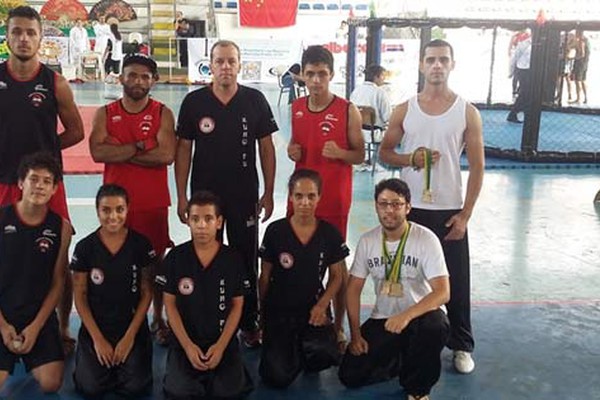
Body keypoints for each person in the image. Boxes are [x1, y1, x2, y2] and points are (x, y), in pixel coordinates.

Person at [379, 39, 484, 374]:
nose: (437, 65)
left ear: (452, 65)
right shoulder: (404, 109)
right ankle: (405, 337)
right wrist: (411, 158)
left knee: (455, 280)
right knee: (407, 275)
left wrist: (465, 214)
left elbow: (479, 168)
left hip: (449, 210)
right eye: (431, 60)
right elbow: (384, 154)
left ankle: (461, 344)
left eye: (443, 60)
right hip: (409, 210)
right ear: (422, 65)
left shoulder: (467, 111)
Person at [175, 39, 277, 348]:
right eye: (219, 61)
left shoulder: (255, 100)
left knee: (246, 258)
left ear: (240, 64)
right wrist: (182, 196)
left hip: (244, 195)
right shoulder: (194, 103)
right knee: (206, 256)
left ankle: (249, 322)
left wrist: (270, 192)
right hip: (205, 198)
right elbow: (183, 151)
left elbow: (267, 149)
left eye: (231, 61)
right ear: (210, 64)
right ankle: (206, 318)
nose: (226, 67)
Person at [0, 5, 84, 353]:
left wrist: (45, 159)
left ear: (40, 38)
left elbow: (77, 131)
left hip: (50, 186)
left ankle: (63, 328)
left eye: (30, 32)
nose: (23, 38)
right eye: (16, 32)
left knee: (58, 257)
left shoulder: (55, 83)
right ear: (7, 36)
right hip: (4, 181)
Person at [89, 53, 176, 346]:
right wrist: (142, 146)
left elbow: (166, 155)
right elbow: (98, 153)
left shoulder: (163, 113)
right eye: (132, 75)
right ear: (121, 77)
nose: (137, 81)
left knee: (155, 266)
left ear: (153, 80)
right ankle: (121, 318)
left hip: (152, 204)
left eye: (144, 76)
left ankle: (157, 318)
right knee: (116, 263)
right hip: (115, 208)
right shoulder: (105, 112)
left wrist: (122, 149)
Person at [338, 178, 450, 400]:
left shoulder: (425, 239)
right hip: (385, 319)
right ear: (376, 206)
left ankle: (418, 390)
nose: (389, 210)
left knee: (435, 325)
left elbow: (443, 292)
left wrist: (406, 316)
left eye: (397, 204)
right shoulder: (368, 241)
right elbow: (353, 289)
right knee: (350, 375)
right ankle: (402, 359)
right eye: (383, 203)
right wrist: (355, 335)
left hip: (421, 317)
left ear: (408, 207)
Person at [287, 44, 364, 349]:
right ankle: (302, 317)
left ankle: (340, 326)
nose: (316, 80)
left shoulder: (347, 109)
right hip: (302, 199)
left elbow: (359, 154)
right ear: (302, 76)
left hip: (334, 198)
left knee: (336, 265)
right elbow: (296, 144)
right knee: (300, 261)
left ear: (331, 74)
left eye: (322, 74)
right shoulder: (296, 108)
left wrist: (342, 153)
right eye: (310, 74)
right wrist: (292, 150)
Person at [158, 190, 253, 399]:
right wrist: (187, 346)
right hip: (185, 342)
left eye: (208, 219)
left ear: (219, 222)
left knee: (229, 392)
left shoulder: (233, 260)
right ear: (188, 221)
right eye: (195, 219)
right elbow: (170, 305)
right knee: (180, 392)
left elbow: (237, 305)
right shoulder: (176, 258)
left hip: (221, 341)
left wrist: (220, 346)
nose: (201, 225)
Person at [258, 169, 347, 388]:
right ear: (290, 197)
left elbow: (337, 276)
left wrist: (322, 305)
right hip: (280, 311)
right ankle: (289, 349)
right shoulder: (275, 231)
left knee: (325, 355)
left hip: (313, 311)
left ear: (319, 197)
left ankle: (302, 351)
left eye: (311, 196)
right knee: (276, 378)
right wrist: (263, 316)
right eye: (299, 196)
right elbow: (264, 276)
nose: (305, 202)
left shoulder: (330, 234)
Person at [71, 184, 154, 398]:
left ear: (127, 209)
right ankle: (93, 361)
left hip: (131, 326)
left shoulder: (141, 245)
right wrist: (98, 339)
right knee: (91, 388)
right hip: (97, 327)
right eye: (106, 210)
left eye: (119, 209)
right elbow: (79, 296)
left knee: (135, 387)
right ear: (97, 210)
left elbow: (146, 292)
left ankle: (124, 362)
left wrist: (129, 337)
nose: (113, 216)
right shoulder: (85, 248)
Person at [0, 152, 73, 393]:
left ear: (54, 189)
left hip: (36, 314)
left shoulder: (61, 227)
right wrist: (2, 325)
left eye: (46, 181)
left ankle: (29, 352)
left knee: (51, 383)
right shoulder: (2, 218)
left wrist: (36, 326)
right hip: (3, 312)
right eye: (34, 179)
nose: (39, 186)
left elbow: (57, 282)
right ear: (21, 183)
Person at [350, 64, 392, 130]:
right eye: (383, 76)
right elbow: (388, 117)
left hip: (357, 131)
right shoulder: (380, 92)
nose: (384, 79)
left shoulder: (356, 90)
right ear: (376, 77)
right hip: (374, 133)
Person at [506, 31, 531, 123]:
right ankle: (513, 113)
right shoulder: (524, 44)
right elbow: (514, 58)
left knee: (527, 93)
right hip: (523, 70)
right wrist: (511, 72)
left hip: (532, 71)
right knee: (524, 93)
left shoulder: (540, 44)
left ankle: (519, 112)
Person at [571, 29, 589, 105]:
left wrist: (573, 58)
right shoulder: (586, 41)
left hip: (580, 63)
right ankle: (585, 97)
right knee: (583, 80)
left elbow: (582, 54)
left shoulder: (581, 42)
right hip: (585, 63)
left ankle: (578, 98)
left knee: (578, 81)